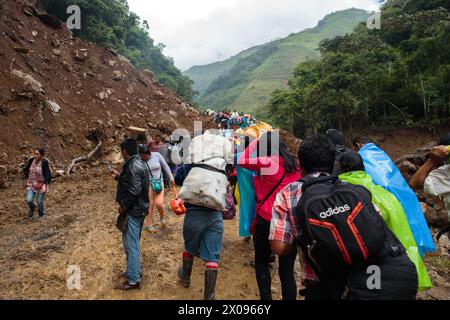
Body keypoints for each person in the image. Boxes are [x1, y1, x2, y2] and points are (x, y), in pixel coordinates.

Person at [269, 134, 418, 300]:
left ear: (300, 165)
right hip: (378, 276)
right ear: (334, 162)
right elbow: (379, 224)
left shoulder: (288, 194)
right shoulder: (352, 188)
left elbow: (279, 248)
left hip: (326, 284)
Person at [338, 151, 432, 292]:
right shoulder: (385, 193)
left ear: (341, 169)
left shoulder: (345, 195)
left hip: (377, 268)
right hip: (405, 266)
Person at [238, 131, 302, 300]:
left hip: (267, 220)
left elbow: (241, 160)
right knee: (287, 271)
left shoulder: (267, 162)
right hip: (291, 221)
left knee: (261, 262)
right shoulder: (295, 164)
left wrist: (255, 142)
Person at [352, 135, 436, 256]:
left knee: (398, 232)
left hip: (388, 199)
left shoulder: (363, 156)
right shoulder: (380, 153)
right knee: (410, 226)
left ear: (358, 145)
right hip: (404, 194)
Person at [175, 132, 231, 300]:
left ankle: (185, 277)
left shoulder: (192, 163)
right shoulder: (221, 163)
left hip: (193, 214)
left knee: (189, 249)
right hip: (215, 216)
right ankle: (209, 296)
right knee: (212, 257)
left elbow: (178, 179)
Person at [111, 138, 150, 290]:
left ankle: (133, 280)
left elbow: (134, 191)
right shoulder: (139, 163)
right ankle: (134, 271)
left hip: (133, 210)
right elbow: (131, 183)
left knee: (130, 244)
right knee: (132, 242)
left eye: (121, 151)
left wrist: (123, 206)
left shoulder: (133, 166)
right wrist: (117, 177)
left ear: (125, 152)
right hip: (139, 209)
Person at [139, 145, 175, 233]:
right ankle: (148, 225)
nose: (143, 158)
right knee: (150, 204)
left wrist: (171, 177)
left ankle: (162, 216)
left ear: (149, 153)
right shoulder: (140, 160)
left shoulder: (157, 155)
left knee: (159, 203)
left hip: (159, 183)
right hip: (149, 184)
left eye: (145, 156)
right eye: (141, 156)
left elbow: (165, 166)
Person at [23, 147, 52, 219]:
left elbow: (47, 174)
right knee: (29, 200)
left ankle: (41, 215)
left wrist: (45, 184)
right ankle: (32, 208)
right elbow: (26, 168)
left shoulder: (45, 162)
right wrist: (22, 168)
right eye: (34, 154)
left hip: (41, 184)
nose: (35, 155)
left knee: (39, 201)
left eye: (37, 154)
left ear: (42, 155)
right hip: (31, 183)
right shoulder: (31, 160)